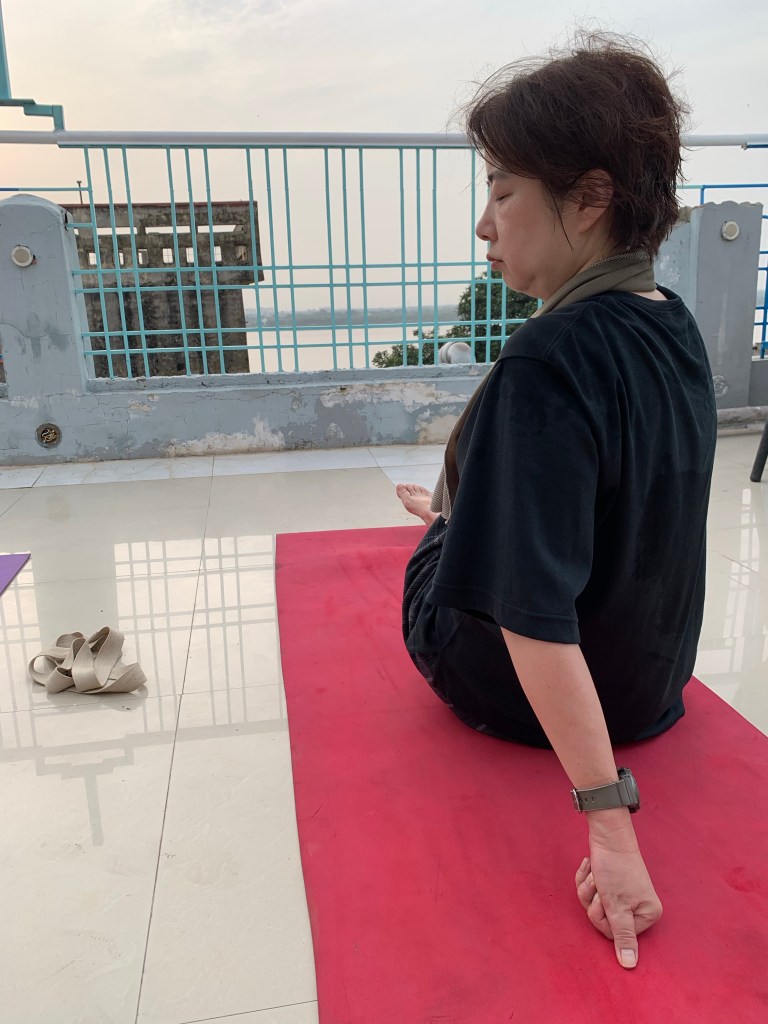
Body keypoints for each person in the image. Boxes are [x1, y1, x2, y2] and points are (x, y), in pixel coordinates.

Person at [397, 32, 717, 971]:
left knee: (447, 548)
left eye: (502, 192)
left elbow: (532, 624)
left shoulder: (546, 360)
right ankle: (470, 516)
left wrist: (611, 829)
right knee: (513, 483)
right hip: (652, 689)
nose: (487, 227)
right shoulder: (675, 324)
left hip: (513, 695)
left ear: (590, 196)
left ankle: (452, 523)